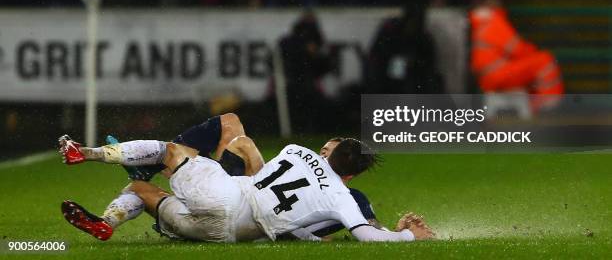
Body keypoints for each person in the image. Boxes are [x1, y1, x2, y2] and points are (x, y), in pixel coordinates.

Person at [59, 137, 434, 242]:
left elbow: (260, 173)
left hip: (230, 194)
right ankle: (105, 223)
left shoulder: (296, 151)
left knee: (171, 151)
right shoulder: (340, 197)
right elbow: (366, 234)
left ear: (330, 153)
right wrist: (406, 237)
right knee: (143, 189)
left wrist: (244, 146)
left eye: (328, 147)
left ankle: (85, 152)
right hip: (226, 234)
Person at [470, 0, 564, 100]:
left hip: (486, 78)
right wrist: (535, 52)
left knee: (531, 66)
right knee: (545, 60)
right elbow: (518, 50)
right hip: (497, 76)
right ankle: (547, 105)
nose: (498, 2)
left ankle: (534, 103)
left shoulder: (478, 21)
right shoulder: (493, 21)